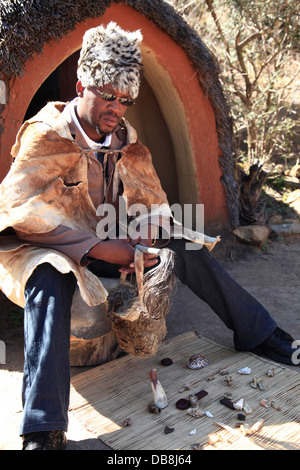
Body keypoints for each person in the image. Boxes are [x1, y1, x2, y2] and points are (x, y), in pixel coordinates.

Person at [0, 22, 297, 451]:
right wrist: (102, 247)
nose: (116, 108)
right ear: (82, 84)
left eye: (125, 100)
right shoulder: (45, 135)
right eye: (107, 95)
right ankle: (42, 430)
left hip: (110, 243)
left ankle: (260, 333)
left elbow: (153, 202)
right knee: (49, 275)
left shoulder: (127, 140)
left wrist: (147, 236)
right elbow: (18, 215)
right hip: (47, 247)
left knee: (184, 242)